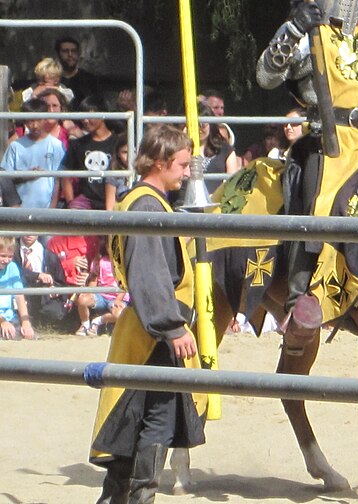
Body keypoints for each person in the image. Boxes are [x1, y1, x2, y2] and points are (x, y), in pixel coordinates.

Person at [255, 0, 358, 349]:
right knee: (318, 198)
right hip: (328, 141)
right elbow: (265, 75)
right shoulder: (304, 34)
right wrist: (294, 28)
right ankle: (301, 298)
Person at [89, 124, 206, 503]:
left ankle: (118, 498)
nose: (187, 172)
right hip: (152, 331)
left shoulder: (138, 200)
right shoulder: (146, 205)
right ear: (160, 162)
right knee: (155, 416)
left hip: (144, 327)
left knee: (136, 414)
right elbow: (150, 273)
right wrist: (172, 328)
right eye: (183, 165)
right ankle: (139, 499)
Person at [1, 97, 65, 209]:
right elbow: (6, 179)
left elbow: (58, 181)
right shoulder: (15, 146)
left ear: (45, 118)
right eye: (30, 121)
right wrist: (26, 176)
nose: (34, 125)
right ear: (25, 121)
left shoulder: (56, 145)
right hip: (19, 208)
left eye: (38, 120)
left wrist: (52, 210)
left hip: (47, 208)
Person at [61, 95, 118, 210]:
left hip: (115, 197)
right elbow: (65, 176)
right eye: (83, 116)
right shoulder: (77, 144)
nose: (85, 121)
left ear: (102, 115)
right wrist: (71, 202)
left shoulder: (118, 142)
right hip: (87, 200)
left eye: (90, 116)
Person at [15, 234, 71, 333]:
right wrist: (36, 275)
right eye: (26, 230)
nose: (29, 235)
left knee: (55, 312)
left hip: (42, 297)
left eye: (33, 231)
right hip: (17, 291)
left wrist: (54, 288)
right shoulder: (11, 252)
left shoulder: (49, 255)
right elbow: (14, 271)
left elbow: (61, 282)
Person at [74, 237, 128, 336]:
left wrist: (118, 300)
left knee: (119, 314)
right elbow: (94, 280)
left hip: (118, 297)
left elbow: (125, 285)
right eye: (109, 246)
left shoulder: (125, 263)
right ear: (106, 247)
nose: (112, 249)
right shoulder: (100, 260)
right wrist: (89, 293)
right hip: (102, 295)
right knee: (82, 299)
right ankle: (85, 324)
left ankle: (98, 321)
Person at [192, 102, 240, 194]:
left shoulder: (226, 150)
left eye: (203, 124)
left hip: (215, 204)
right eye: (195, 125)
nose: (199, 129)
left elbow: (232, 185)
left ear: (211, 125)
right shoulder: (181, 150)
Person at [0, 236, 34, 340]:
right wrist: (2, 321)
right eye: (2, 256)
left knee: (27, 334)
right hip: (2, 319)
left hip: (10, 316)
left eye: (10, 256)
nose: (6, 260)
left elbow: (19, 296)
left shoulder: (12, 267)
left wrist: (25, 321)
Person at [55, 36, 101, 105]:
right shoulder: (52, 79)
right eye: (65, 51)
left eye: (73, 51)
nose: (70, 54)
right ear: (58, 54)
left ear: (78, 54)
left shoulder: (90, 80)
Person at [105, 135, 131, 210]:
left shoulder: (146, 172)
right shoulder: (113, 173)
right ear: (118, 154)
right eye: (125, 152)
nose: (129, 156)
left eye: (134, 151)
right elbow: (110, 208)